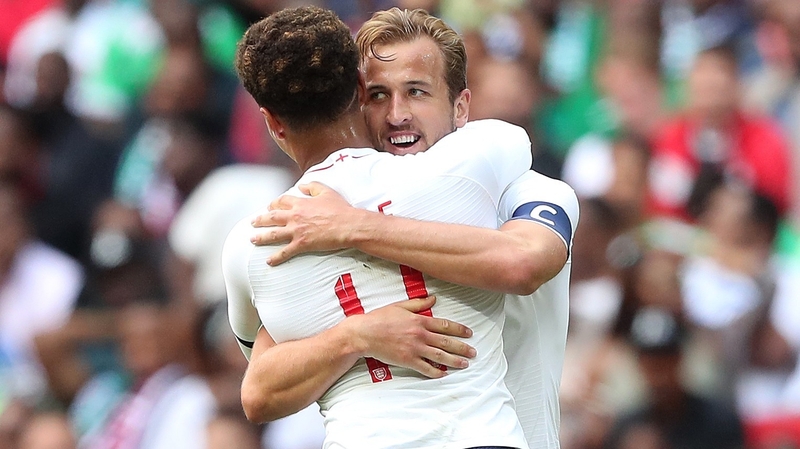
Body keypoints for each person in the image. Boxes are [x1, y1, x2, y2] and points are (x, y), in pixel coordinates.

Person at [248, 7, 579, 448]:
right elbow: (259, 387)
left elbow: (524, 262)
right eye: (378, 95)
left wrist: (353, 227)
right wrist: (354, 337)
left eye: (417, 92)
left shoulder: (528, 188)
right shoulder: (319, 214)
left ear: (460, 107)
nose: (396, 115)